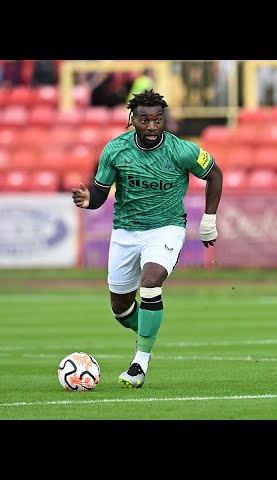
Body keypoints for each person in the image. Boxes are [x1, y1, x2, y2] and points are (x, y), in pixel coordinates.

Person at [71, 89, 223, 388]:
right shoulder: (115, 150)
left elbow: (215, 174)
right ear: (133, 120)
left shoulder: (183, 151)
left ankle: (139, 363)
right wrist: (90, 199)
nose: (152, 127)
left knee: (151, 282)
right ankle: (147, 332)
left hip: (166, 228)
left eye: (157, 120)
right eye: (144, 120)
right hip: (126, 232)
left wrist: (209, 219)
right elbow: (101, 192)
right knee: (120, 308)